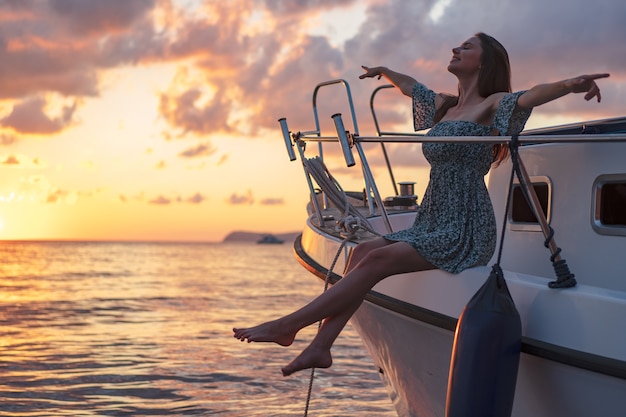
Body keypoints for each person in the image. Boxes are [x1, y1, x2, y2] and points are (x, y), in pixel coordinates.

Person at [233, 33, 609, 376]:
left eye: (466, 47)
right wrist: (387, 72)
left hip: (464, 223)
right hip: (432, 216)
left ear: (484, 62)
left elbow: (530, 96)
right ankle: (320, 346)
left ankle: (288, 326)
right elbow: (413, 87)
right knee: (361, 250)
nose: (455, 49)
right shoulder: (444, 107)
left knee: (376, 260)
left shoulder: (491, 106)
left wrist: (570, 84)